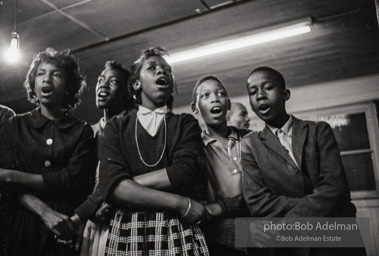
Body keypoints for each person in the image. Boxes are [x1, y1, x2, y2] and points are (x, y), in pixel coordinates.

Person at [241, 66, 366, 255]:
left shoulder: (319, 130)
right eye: (253, 92)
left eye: (267, 88)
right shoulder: (250, 144)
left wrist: (293, 219)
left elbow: (335, 185)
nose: (260, 96)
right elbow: (258, 202)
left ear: (285, 94)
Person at [98, 46, 209, 255]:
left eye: (167, 70)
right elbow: (110, 184)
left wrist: (122, 185)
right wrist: (180, 202)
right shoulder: (117, 126)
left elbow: (184, 172)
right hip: (129, 230)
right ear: (137, 84)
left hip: (176, 228)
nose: (162, 72)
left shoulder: (185, 123)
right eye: (152, 68)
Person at [0, 48, 96, 256]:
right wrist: (45, 212)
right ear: (33, 83)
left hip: (64, 228)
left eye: (57, 74)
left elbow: (73, 179)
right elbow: (4, 186)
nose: (47, 79)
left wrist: (13, 176)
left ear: (69, 86)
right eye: (41, 73)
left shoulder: (82, 131)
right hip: (19, 226)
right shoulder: (14, 126)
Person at [71, 60, 134, 256]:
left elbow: (118, 177)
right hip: (94, 220)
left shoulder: (133, 126)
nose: (103, 85)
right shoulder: (90, 132)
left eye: (112, 81)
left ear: (127, 92)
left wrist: (83, 214)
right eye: (100, 80)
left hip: (123, 218)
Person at [191, 75, 255, 256]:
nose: (214, 98)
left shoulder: (253, 139)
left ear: (227, 103)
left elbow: (264, 192)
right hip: (221, 241)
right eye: (205, 95)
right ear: (195, 108)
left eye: (221, 93)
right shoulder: (193, 150)